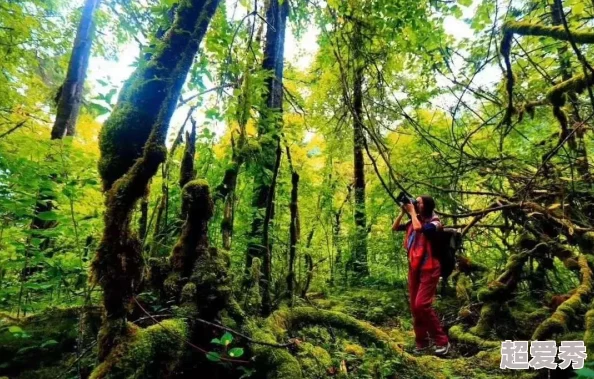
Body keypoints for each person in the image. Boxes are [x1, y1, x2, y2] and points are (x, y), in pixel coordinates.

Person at [392, 195, 450, 356]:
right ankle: (421, 342)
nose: (416, 204)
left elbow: (421, 229)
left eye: (420, 202)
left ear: (428, 206)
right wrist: (403, 212)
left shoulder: (435, 222)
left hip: (430, 268)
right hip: (414, 268)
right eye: (415, 201)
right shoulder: (413, 219)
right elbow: (395, 228)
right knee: (414, 308)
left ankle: (442, 341)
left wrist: (411, 213)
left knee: (422, 305)